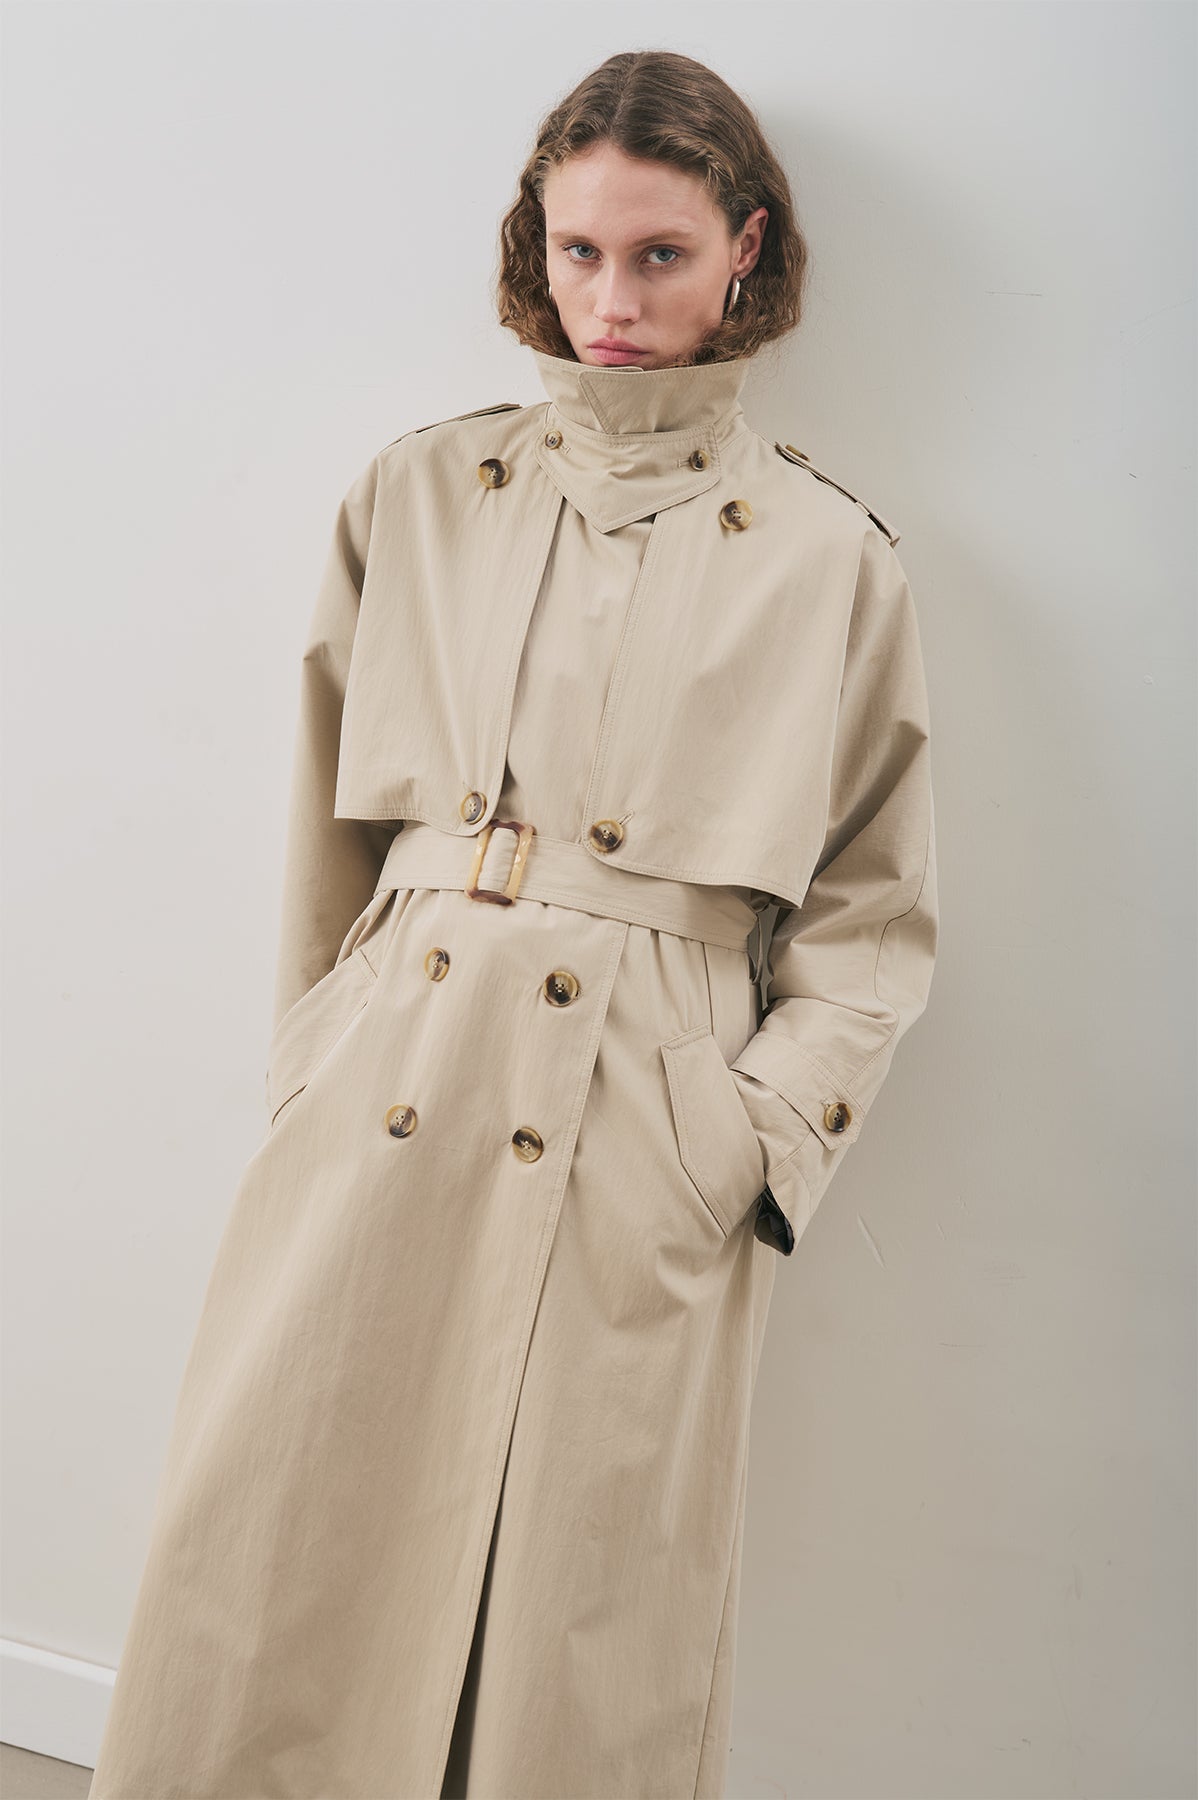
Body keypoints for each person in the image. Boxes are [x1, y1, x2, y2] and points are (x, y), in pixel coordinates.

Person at [87, 47, 938, 1800]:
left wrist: (751, 1136)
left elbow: (872, 906)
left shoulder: (827, 555)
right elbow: (329, 824)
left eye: (659, 255)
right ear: (531, 247)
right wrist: (319, 1052)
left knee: (585, 1606)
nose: (610, 302)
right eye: (577, 252)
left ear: (745, 250)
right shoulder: (416, 491)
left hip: (646, 1116)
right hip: (397, 1077)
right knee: (283, 1535)